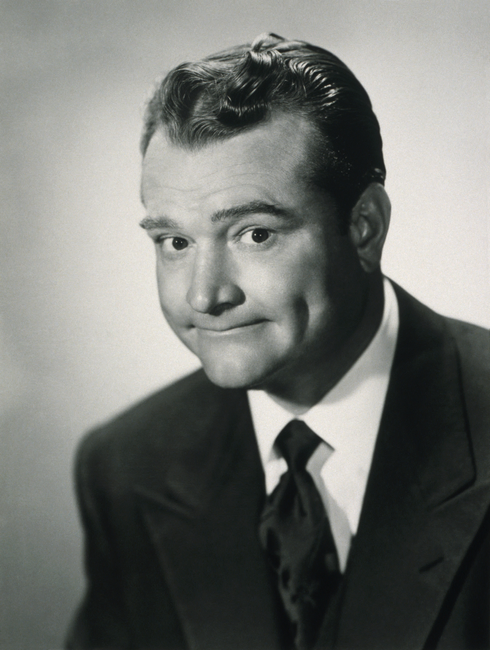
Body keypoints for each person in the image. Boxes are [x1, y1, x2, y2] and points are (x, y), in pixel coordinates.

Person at [66, 34, 490, 650]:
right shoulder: (128, 467)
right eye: (175, 243)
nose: (204, 296)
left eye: (254, 234)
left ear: (364, 228)